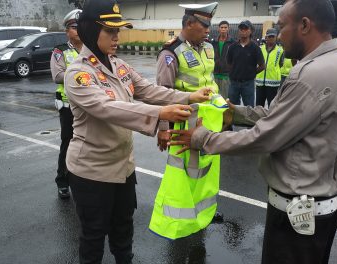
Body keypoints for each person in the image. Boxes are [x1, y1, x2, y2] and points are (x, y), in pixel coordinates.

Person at [169, 0, 337, 263]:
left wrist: (203, 139)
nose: (278, 36)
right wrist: (236, 112)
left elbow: (266, 136)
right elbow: (280, 116)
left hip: (298, 212)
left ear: (304, 25)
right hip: (318, 202)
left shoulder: (312, 74)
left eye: (281, 27)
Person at [64, 0, 212, 263]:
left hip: (123, 168)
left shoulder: (118, 65)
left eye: (118, 31)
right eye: (110, 31)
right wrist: (159, 115)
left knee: (123, 234)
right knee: (93, 239)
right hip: (92, 173)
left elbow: (149, 90)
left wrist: (189, 97)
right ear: (89, 30)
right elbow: (109, 108)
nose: (117, 37)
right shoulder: (78, 73)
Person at [155, 2, 224, 224]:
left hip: (208, 122)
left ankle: (203, 210)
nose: (207, 30)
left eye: (209, 25)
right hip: (184, 123)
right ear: (189, 23)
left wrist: (222, 108)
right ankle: (182, 215)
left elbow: (210, 82)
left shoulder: (208, 48)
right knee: (184, 170)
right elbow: (162, 94)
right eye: (204, 25)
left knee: (205, 168)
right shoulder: (171, 52)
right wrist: (164, 129)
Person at [50, 9, 83, 199]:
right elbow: (57, 76)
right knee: (68, 143)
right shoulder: (60, 51)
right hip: (68, 107)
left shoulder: (92, 47)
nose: (78, 30)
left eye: (80, 26)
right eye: (74, 27)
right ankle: (62, 181)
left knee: (88, 144)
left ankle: (82, 180)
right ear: (67, 30)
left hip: (89, 105)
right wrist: (82, 75)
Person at [227, 20, 265, 107]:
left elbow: (262, 66)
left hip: (248, 84)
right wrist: (234, 73)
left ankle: (247, 121)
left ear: (251, 31)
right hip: (234, 83)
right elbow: (229, 63)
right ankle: (234, 121)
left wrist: (251, 73)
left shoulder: (255, 48)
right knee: (231, 107)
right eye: (241, 29)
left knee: (249, 109)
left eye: (246, 28)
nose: (243, 31)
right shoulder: (232, 47)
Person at [255, 28, 284, 107]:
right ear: (266, 37)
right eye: (269, 36)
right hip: (260, 82)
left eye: (272, 36)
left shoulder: (280, 50)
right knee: (258, 106)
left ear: (276, 37)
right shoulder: (260, 49)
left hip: (273, 83)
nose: (271, 38)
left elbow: (281, 64)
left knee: (272, 106)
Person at [211, 20, 235, 99]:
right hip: (214, 75)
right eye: (222, 27)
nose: (223, 29)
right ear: (218, 29)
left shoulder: (233, 43)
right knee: (214, 98)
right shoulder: (213, 43)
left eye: (225, 27)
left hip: (226, 77)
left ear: (228, 29)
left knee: (225, 100)